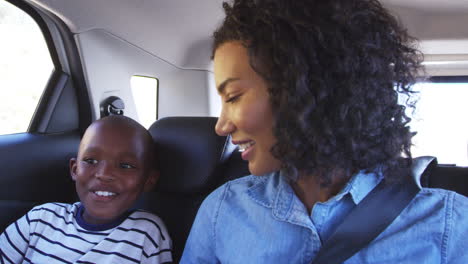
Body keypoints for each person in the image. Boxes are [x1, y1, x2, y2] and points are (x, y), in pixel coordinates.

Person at [180, 0, 468, 263]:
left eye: (232, 97)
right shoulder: (223, 210)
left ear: (307, 89)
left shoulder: (450, 225)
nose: (221, 126)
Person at [0, 115, 173, 263]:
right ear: (75, 169)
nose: (104, 174)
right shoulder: (40, 218)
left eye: (125, 165)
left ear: (149, 181)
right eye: (91, 161)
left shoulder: (146, 233)